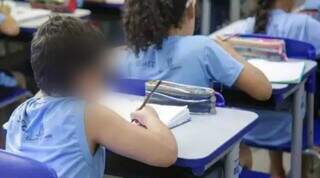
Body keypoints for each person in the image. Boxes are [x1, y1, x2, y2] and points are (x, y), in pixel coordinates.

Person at [4, 16, 178, 178]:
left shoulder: (19, 113)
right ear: (88, 77)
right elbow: (166, 153)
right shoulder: (89, 115)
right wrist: (151, 117)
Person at [119, 0, 272, 173]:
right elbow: (263, 90)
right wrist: (230, 52)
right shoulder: (203, 48)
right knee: (243, 151)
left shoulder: (127, 55)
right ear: (190, 10)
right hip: (199, 166)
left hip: (144, 160)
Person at [239, 0, 320, 177]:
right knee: (306, 85)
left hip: (250, 128)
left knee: (278, 91)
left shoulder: (248, 26)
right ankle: (302, 171)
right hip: (293, 131)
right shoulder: (304, 25)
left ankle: (276, 168)